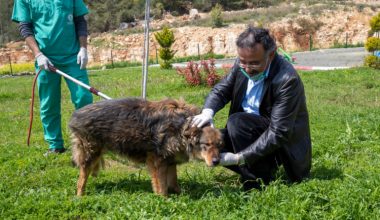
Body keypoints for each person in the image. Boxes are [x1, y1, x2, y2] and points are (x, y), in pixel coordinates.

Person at [192, 26, 312, 191]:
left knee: (237, 122)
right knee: (211, 144)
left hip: (277, 147)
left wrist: (239, 158)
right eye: (243, 62)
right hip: (245, 134)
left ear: (270, 54)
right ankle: (259, 171)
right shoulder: (242, 64)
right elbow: (221, 90)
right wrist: (208, 111)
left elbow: (279, 132)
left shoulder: (286, 80)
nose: (247, 68)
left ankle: (255, 183)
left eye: (255, 63)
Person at [12, 0, 93, 155]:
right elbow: (25, 28)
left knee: (84, 98)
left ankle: (88, 141)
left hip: (73, 57)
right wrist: (38, 54)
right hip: (45, 59)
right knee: (49, 103)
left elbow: (80, 21)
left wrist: (83, 48)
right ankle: (55, 145)